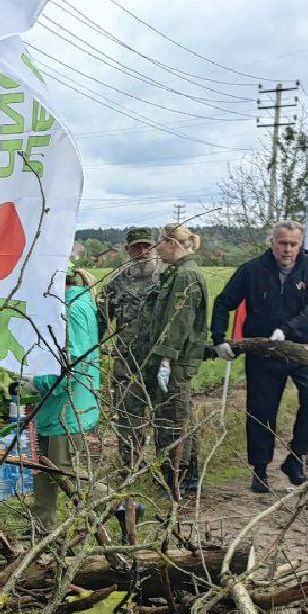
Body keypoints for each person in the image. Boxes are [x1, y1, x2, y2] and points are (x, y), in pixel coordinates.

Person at [211, 220, 308, 494]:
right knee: (262, 409)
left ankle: (295, 460)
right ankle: (260, 470)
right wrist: (219, 339)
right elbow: (224, 302)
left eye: (293, 244)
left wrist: (287, 330)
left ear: (300, 245)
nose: (287, 249)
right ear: (272, 243)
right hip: (263, 350)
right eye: (282, 243)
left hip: (300, 348)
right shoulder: (251, 270)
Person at [132, 225, 210, 497]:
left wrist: (166, 357)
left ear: (170, 243)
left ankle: (178, 479)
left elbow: (179, 321)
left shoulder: (186, 276)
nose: (156, 250)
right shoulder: (178, 273)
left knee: (173, 421)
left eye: (159, 244)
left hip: (175, 364)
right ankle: (187, 478)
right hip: (172, 361)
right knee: (178, 417)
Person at [30, 266, 101, 531]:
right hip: (55, 404)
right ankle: (42, 526)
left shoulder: (74, 310)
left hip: (67, 406)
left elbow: (73, 362)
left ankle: (115, 503)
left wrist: (39, 382)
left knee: (62, 469)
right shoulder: (69, 306)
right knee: (43, 465)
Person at [97, 227, 160, 469]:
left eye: (147, 246)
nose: (143, 252)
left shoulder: (164, 280)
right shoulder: (116, 282)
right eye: (137, 247)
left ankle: (169, 470)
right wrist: (92, 348)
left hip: (159, 360)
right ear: (127, 250)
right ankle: (130, 467)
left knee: (165, 418)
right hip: (127, 360)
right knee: (128, 417)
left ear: (154, 247)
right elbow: (101, 319)